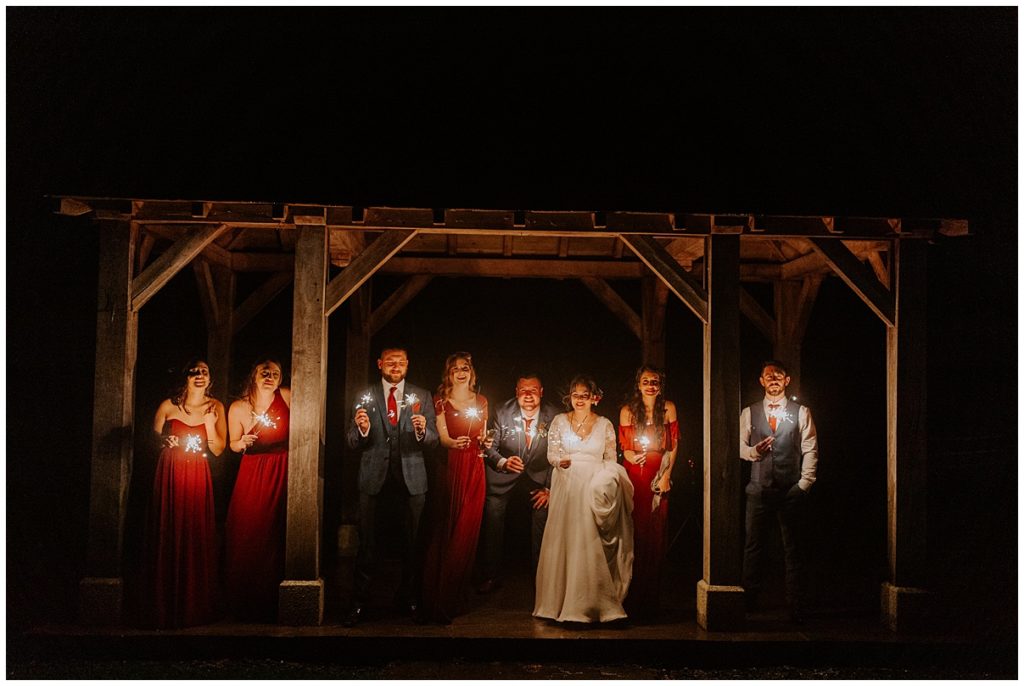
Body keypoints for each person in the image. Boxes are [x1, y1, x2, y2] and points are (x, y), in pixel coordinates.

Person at [344, 346, 438, 627]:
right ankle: (360, 603)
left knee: (411, 543)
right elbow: (350, 440)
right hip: (374, 478)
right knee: (368, 543)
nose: (396, 366)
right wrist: (362, 430)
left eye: (401, 362)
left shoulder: (421, 395)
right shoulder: (366, 395)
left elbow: (433, 440)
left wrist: (422, 431)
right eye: (390, 362)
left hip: (411, 478)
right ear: (380, 364)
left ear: (408, 364)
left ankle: (408, 600)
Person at [534, 375, 634, 623]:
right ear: (570, 397)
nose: (579, 399)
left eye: (584, 395)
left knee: (588, 542)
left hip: (591, 484)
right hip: (566, 484)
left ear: (594, 398)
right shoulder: (559, 421)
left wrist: (605, 484)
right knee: (565, 540)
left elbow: (611, 459)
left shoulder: (605, 424)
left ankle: (591, 603)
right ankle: (557, 603)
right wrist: (560, 461)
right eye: (575, 395)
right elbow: (552, 453)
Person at [144, 358, 227, 628]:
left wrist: (210, 424)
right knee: (170, 529)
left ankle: (194, 606)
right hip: (171, 471)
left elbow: (217, 449)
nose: (199, 375)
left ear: (210, 377)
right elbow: (151, 438)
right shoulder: (169, 406)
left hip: (197, 474)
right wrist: (162, 440)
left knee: (193, 530)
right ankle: (164, 606)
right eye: (194, 372)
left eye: (204, 371)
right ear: (186, 377)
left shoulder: (215, 407)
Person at [739, 360, 818, 624]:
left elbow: (810, 448)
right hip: (758, 488)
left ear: (787, 380)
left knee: (793, 549)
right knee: (753, 548)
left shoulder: (801, 411)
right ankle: (749, 603)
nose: (773, 379)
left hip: (789, 490)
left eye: (778, 375)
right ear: (761, 381)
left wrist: (804, 485)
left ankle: (797, 606)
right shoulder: (749, 412)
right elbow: (739, 447)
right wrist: (754, 452)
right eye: (768, 375)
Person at [419, 352, 489, 623]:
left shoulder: (482, 400)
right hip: (451, 467)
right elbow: (443, 437)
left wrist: (485, 441)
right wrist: (453, 443)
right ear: (448, 374)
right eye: (455, 369)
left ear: (472, 372)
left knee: (467, 532)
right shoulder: (440, 401)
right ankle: (438, 597)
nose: (461, 372)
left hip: (475, 467)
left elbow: (482, 435)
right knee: (447, 529)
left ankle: (457, 593)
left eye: (466, 368)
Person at [478, 374, 560, 594]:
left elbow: (559, 453)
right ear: (516, 392)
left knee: (542, 517)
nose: (528, 395)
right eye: (523, 390)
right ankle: (491, 575)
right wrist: (503, 462)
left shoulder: (554, 415)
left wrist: (550, 488)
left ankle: (541, 578)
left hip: (539, 477)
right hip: (504, 476)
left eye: (533, 390)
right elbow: (489, 446)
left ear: (541, 392)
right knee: (493, 514)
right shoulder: (501, 411)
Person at [223, 358, 291, 622]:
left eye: (275, 372)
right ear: (254, 375)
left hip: (282, 465)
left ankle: (274, 597)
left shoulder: (286, 396)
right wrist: (243, 441)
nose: (270, 376)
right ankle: (244, 596)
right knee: (249, 526)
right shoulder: (239, 407)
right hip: (253, 469)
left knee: (278, 528)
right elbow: (232, 444)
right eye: (264, 372)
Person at [619, 365, 678, 619]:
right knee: (635, 532)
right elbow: (625, 445)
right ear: (639, 384)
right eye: (646, 381)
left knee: (656, 533)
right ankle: (630, 597)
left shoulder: (669, 408)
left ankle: (651, 599)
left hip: (658, 473)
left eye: (655, 381)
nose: (651, 385)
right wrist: (631, 455)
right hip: (636, 474)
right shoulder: (628, 411)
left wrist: (666, 475)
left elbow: (674, 444)